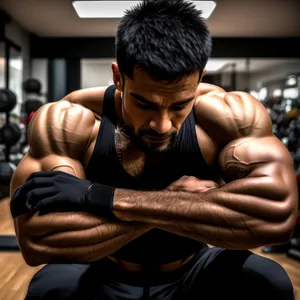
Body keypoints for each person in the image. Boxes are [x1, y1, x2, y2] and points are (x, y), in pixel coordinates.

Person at [10, 0, 298, 299]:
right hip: (103, 265)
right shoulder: (71, 121)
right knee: (50, 286)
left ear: (200, 78)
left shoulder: (229, 117)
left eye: (179, 105)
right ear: (118, 77)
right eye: (144, 103)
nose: (161, 125)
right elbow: (39, 241)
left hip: (196, 266)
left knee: (269, 279)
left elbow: (274, 219)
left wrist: (103, 197)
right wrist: (176, 202)